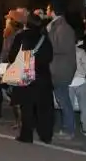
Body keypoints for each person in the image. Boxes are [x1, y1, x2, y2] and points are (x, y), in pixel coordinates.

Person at [8, 13, 54, 144]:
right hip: (42, 75)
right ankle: (46, 135)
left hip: (26, 74)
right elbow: (49, 57)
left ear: (26, 24)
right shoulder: (44, 38)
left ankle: (26, 135)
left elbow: (12, 56)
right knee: (44, 107)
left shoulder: (21, 37)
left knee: (26, 106)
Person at [46, 1, 78, 139]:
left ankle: (69, 130)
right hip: (59, 68)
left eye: (47, 9)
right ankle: (67, 127)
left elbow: (58, 48)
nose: (46, 11)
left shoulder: (62, 28)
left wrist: (49, 33)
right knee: (62, 99)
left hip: (60, 69)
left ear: (53, 11)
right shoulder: (59, 27)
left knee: (63, 100)